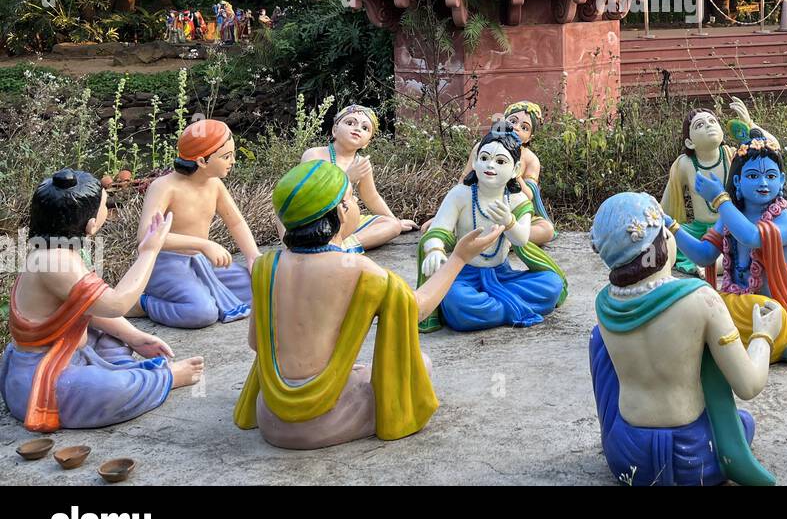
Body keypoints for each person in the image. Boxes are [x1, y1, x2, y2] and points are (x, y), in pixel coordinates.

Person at [234, 160, 502, 449]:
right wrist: (459, 258)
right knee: (421, 365)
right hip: (320, 423)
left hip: (271, 415)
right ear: (340, 211)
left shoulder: (265, 267)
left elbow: (256, 343)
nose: (356, 205)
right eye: (352, 199)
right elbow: (418, 308)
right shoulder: (360, 269)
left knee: (357, 371)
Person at [589, 191, 783, 486]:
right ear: (661, 241)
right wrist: (763, 335)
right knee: (744, 423)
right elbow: (748, 385)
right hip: (695, 459)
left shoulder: (605, 305)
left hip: (627, 456)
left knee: (597, 340)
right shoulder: (700, 299)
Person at [0, 170, 203, 431]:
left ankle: (119, 368)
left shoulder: (60, 252)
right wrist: (150, 252)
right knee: (112, 388)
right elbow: (117, 303)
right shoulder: (55, 262)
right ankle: (164, 377)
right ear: (91, 224)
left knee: (111, 335)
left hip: (70, 354)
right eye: (105, 206)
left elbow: (88, 308)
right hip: (41, 376)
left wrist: (134, 336)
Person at [674, 127, 787, 364]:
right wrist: (672, 228)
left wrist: (720, 198)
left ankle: (779, 342)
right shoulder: (729, 216)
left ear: (781, 181)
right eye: (753, 176)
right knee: (695, 302)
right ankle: (745, 344)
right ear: (738, 181)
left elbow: (752, 237)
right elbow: (704, 256)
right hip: (733, 300)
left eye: (771, 176)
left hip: (769, 309)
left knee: (770, 315)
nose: (763, 183)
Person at [416, 122, 566, 332]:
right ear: (475, 163)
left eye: (500, 161)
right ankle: (512, 308)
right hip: (464, 274)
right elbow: (438, 231)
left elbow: (522, 239)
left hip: (502, 274)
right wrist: (434, 249)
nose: (490, 166)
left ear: (515, 170)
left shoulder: (517, 199)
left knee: (552, 284)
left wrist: (509, 222)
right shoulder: (461, 195)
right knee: (457, 301)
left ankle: (495, 311)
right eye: (484, 158)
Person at [136, 119, 260, 328]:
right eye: (226, 156)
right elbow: (146, 236)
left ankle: (203, 290)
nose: (233, 161)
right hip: (166, 265)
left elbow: (236, 222)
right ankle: (143, 303)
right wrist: (203, 244)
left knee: (259, 289)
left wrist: (252, 256)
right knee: (202, 313)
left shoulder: (215, 184)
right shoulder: (165, 187)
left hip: (202, 263)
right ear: (202, 161)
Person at [301, 103, 417, 252]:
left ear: (367, 143)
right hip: (317, 220)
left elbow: (371, 197)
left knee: (392, 225)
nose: (357, 129)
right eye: (350, 123)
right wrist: (347, 177)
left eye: (365, 128)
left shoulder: (361, 163)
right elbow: (312, 194)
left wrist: (396, 221)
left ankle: (343, 246)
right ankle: (308, 248)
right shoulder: (314, 155)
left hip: (346, 222)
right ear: (334, 130)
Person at [659, 104, 741, 276]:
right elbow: (666, 204)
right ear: (689, 142)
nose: (709, 125)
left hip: (729, 226)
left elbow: (770, 150)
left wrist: (750, 125)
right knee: (667, 241)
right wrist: (656, 220)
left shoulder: (733, 156)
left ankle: (712, 265)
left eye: (712, 121)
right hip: (698, 231)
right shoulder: (685, 164)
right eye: (700, 125)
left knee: (743, 242)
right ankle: (712, 262)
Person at [462, 101, 554, 245]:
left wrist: (515, 171)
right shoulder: (482, 147)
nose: (516, 128)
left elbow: (529, 195)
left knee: (547, 230)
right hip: (482, 204)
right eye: (512, 121)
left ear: (530, 137)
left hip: (513, 211)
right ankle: (497, 238)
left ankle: (502, 238)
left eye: (524, 127)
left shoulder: (531, 160)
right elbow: (464, 180)